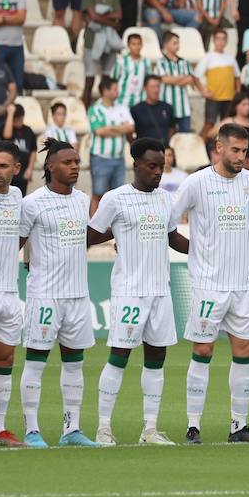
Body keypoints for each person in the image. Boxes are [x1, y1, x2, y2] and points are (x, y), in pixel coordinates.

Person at [171, 124, 249, 444]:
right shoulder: (197, 183)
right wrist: (194, 251)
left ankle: (238, 426)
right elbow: (167, 219)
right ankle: (193, 426)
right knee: (203, 350)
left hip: (242, 285)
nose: (242, 157)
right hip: (207, 285)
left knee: (244, 351)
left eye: (245, 151)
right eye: (235, 150)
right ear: (219, 147)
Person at [86, 138, 189, 446]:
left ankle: (150, 429)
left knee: (157, 357)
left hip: (160, 291)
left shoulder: (165, 200)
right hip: (129, 291)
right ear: (136, 164)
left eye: (162, 166)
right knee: (119, 356)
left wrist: (206, 250)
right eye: (152, 166)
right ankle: (103, 427)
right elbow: (91, 234)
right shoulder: (115, 199)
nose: (158, 172)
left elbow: (173, 238)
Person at [16, 140, 99, 447]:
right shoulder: (32, 203)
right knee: (35, 363)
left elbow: (84, 238)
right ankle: (32, 430)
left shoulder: (82, 199)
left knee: (74, 363)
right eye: (68, 162)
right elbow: (18, 243)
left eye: (77, 161)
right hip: (45, 295)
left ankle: (71, 429)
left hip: (77, 294)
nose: (75, 166)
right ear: (50, 166)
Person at [86, 76, 135, 214]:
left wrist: (110, 129)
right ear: (105, 91)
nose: (118, 91)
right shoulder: (95, 109)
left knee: (118, 196)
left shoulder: (122, 108)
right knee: (98, 194)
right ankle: (93, 228)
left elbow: (131, 128)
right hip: (100, 158)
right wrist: (120, 128)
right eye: (115, 88)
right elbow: (99, 131)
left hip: (118, 158)